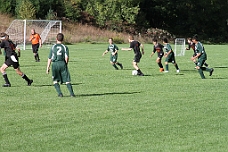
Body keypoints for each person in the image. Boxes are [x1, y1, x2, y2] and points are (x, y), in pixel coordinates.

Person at [46, 33, 75, 97]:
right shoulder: (65, 47)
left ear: (56, 39)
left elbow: (50, 58)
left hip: (55, 64)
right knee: (67, 80)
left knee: (55, 80)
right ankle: (72, 94)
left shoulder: (53, 47)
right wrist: (65, 64)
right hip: (62, 63)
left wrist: (48, 67)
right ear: (63, 39)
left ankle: (60, 93)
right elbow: (67, 57)